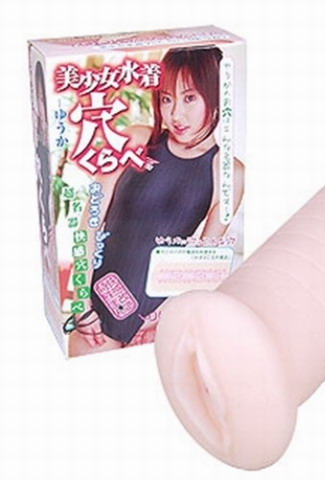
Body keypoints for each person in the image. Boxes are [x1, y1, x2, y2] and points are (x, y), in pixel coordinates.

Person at [68, 47, 244, 356]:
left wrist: (166, 313)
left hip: (158, 319)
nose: (176, 114)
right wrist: (81, 300)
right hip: (97, 310)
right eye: (166, 99)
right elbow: (89, 221)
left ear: (216, 95)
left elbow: (202, 263)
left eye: (189, 98)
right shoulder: (134, 140)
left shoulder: (229, 173)